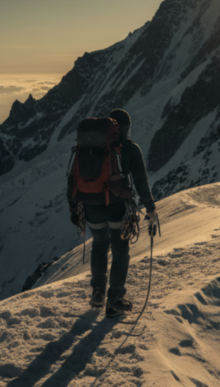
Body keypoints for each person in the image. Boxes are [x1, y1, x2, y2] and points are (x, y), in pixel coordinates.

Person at [72, 108, 157, 318]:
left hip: (91, 207)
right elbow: (141, 182)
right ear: (124, 127)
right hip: (118, 208)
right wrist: (151, 207)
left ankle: (98, 292)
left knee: (99, 245)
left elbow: (73, 179)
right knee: (120, 250)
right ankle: (115, 300)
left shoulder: (90, 147)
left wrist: (75, 207)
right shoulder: (130, 148)